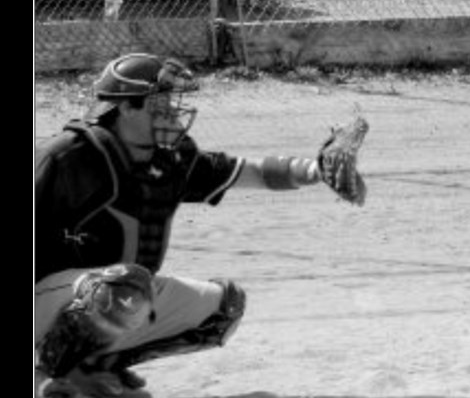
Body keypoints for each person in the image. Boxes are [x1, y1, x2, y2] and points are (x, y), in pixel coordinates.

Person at [35, 53, 368, 397]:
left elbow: (247, 171)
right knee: (124, 287)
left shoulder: (171, 159)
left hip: (111, 292)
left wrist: (317, 170)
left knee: (223, 307)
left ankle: (91, 370)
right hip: (44, 300)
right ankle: (42, 375)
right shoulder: (68, 156)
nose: (171, 112)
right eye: (159, 102)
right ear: (126, 108)